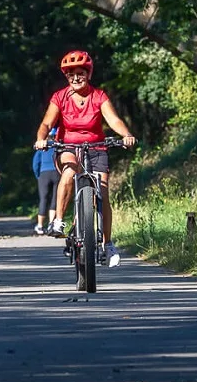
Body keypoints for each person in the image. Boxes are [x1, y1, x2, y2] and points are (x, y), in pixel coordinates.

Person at [34, 50, 136, 267]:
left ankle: (108, 245)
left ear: (88, 73)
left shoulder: (99, 96)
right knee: (70, 171)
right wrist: (41, 139)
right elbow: (46, 124)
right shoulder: (60, 97)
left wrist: (126, 135)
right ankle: (59, 221)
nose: (76, 78)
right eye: (71, 74)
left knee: (104, 192)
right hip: (68, 146)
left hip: (96, 147)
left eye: (80, 73)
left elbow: (113, 120)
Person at [31, 127, 59, 235]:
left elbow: (35, 163)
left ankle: (40, 226)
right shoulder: (58, 147)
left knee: (43, 199)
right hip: (57, 173)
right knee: (55, 199)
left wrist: (38, 175)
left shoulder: (42, 147)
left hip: (44, 174)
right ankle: (51, 224)